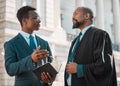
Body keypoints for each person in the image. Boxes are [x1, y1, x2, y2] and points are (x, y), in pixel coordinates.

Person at [64, 7, 117, 86]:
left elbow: (104, 66)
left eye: (76, 13)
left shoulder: (100, 35)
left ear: (87, 16)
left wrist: (79, 69)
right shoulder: (75, 41)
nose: (72, 17)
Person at [4, 6, 53, 86]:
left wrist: (48, 80)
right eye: (35, 18)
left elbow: (50, 66)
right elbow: (10, 69)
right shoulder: (11, 44)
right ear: (24, 21)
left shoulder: (44, 43)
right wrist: (31, 59)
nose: (40, 21)